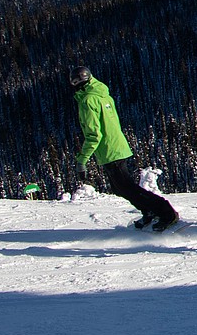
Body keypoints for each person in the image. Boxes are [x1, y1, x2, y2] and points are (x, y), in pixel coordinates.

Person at [70, 66, 178, 231]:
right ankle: (149, 211)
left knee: (128, 188)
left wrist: (82, 161)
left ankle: (166, 212)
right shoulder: (103, 95)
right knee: (120, 188)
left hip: (109, 150)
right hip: (117, 145)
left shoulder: (87, 101)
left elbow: (94, 135)